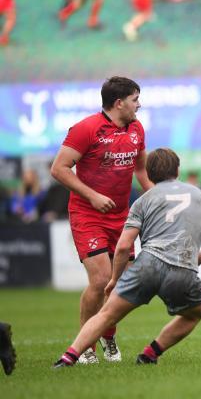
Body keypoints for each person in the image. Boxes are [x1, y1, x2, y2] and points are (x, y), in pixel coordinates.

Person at [53, 148, 201, 367]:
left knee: (107, 314)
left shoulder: (143, 200)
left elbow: (124, 246)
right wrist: (200, 257)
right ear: (177, 169)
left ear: (149, 174)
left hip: (148, 265)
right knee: (195, 312)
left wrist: (115, 280)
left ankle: (68, 357)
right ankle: (150, 353)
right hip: (183, 269)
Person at [50, 76, 153, 364]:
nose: (139, 104)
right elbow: (59, 169)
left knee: (121, 285)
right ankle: (86, 347)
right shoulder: (86, 129)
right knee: (100, 280)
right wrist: (92, 195)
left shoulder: (137, 128)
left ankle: (108, 335)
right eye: (135, 99)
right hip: (88, 214)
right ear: (119, 103)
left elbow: (141, 171)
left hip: (122, 216)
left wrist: (161, 199)